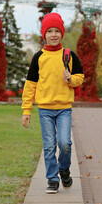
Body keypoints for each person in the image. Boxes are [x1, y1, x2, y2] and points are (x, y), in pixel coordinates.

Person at [21, 12, 84, 194]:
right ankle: (52, 179)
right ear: (44, 35)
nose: (54, 34)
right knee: (49, 145)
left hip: (64, 108)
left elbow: (80, 77)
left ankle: (64, 169)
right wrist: (26, 110)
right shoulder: (38, 57)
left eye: (57, 31)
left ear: (62, 33)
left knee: (64, 143)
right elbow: (30, 85)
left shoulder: (69, 55)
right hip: (45, 110)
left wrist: (70, 79)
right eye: (50, 31)